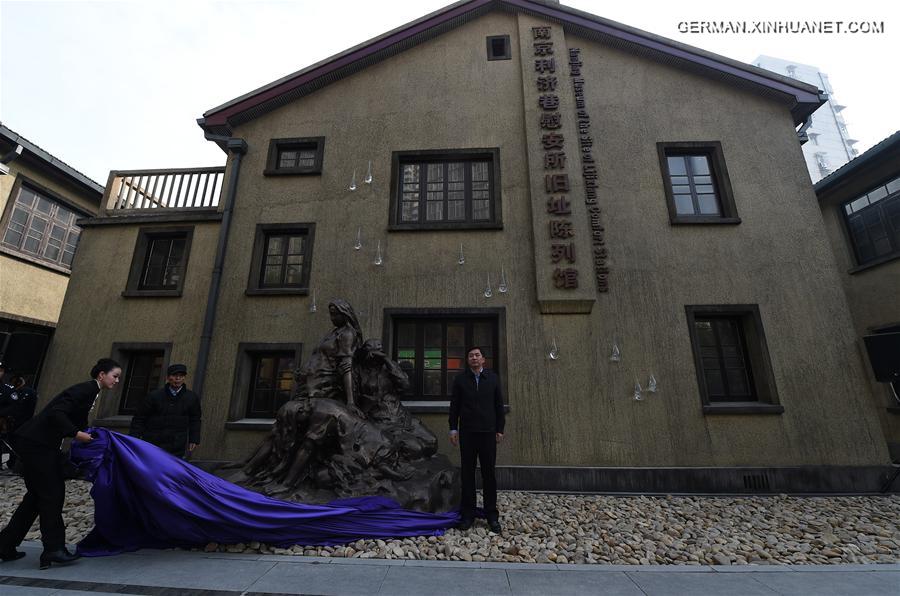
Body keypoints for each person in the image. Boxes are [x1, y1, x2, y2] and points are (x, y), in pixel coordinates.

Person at [0, 358, 121, 569]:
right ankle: (54, 549)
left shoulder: (91, 391)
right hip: (37, 445)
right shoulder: (85, 389)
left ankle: (4, 545)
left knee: (36, 498)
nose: (117, 380)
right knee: (52, 494)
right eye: (115, 376)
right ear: (102, 375)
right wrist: (76, 433)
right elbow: (57, 413)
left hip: (40, 445)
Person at [448, 346, 505, 533]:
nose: (474, 358)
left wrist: (500, 429)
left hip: (488, 433)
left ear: (483, 359)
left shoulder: (493, 379)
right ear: (468, 360)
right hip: (468, 433)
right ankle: (468, 514)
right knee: (467, 474)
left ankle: (491, 515)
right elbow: (454, 406)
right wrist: (453, 429)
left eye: (477, 355)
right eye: (471, 355)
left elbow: (499, 405)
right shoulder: (460, 380)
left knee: (489, 475)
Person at [129, 364, 201, 458]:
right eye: (175, 375)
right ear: (168, 377)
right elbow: (140, 418)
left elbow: (195, 419)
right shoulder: (154, 396)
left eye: (181, 376)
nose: (178, 378)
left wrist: (194, 439)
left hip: (177, 444)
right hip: (153, 442)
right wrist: (134, 437)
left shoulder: (191, 397)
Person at [0, 373, 38, 470]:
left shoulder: (28, 392)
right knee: (10, 442)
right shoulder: (10, 391)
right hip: (11, 421)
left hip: (20, 422)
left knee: (16, 444)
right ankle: (13, 464)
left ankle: (16, 464)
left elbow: (26, 409)